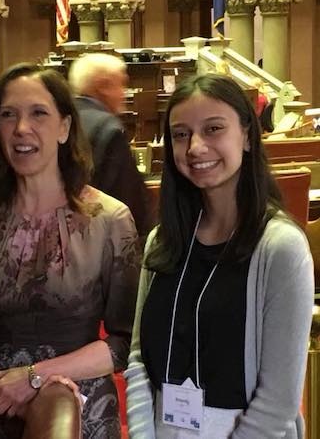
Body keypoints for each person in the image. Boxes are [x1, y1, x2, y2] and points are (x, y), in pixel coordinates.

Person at [0, 63, 141, 438]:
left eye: (38, 113)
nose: (21, 128)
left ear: (64, 127)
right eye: (8, 115)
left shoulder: (110, 220)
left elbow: (123, 342)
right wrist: (6, 392)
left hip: (82, 407)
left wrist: (34, 380)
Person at [124, 74, 314, 438]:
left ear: (245, 135)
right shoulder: (162, 241)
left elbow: (278, 403)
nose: (195, 147)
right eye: (181, 134)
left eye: (213, 129)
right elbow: (138, 360)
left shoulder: (279, 249)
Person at [68, 53, 152, 238]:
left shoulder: (61, 120)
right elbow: (127, 198)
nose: (125, 93)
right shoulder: (109, 129)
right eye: (121, 84)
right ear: (103, 86)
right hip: (101, 236)